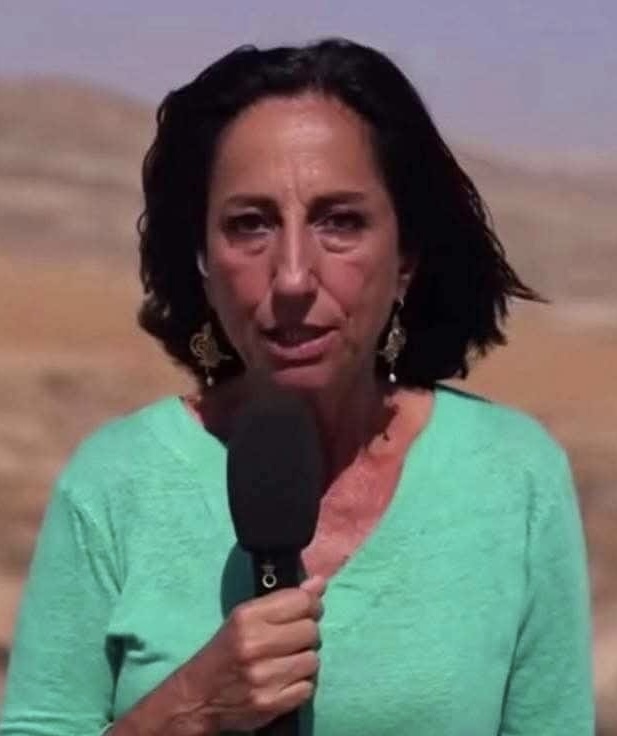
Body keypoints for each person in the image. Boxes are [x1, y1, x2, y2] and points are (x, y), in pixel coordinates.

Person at [0, 38, 594, 735]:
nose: (290, 277)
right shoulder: (115, 483)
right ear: (202, 261)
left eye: (339, 222)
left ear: (406, 255)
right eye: (249, 224)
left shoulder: (513, 477)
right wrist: (188, 709)